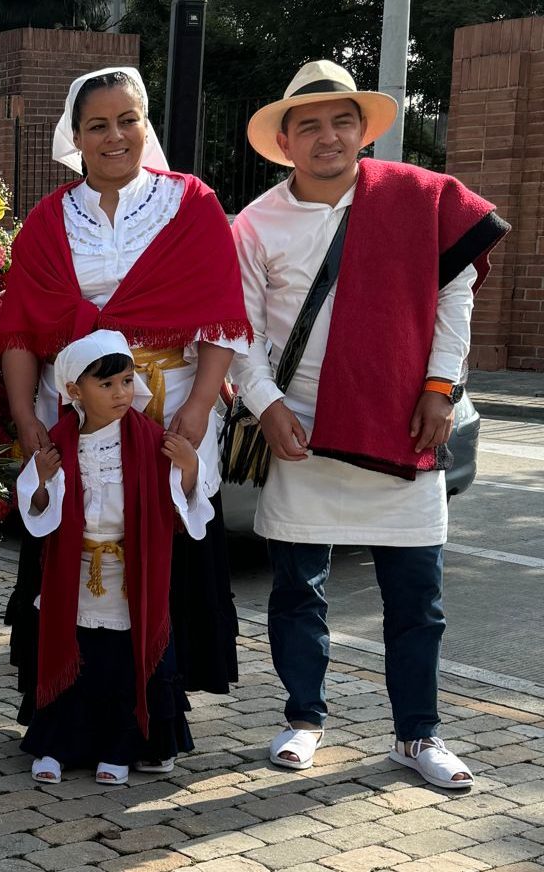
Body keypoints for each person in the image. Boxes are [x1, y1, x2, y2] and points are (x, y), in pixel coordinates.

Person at [231, 61, 509, 788]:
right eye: (311, 125)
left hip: (402, 421)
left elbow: (456, 301)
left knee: (418, 595)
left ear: (363, 130)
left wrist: (441, 388)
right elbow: (240, 333)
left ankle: (417, 737)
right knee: (298, 590)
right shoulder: (254, 224)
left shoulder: (420, 199)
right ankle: (302, 719)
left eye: (342, 121)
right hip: (302, 428)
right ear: (286, 141)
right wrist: (265, 406)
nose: (328, 136)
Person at [0, 67, 253, 727]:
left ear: (146, 125)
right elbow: (22, 332)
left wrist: (198, 408)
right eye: (98, 125)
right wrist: (27, 420)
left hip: (164, 407)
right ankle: (64, 708)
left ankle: (154, 709)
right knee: (75, 553)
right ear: (75, 138)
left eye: (128, 120)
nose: (115, 136)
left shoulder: (191, 204)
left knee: (159, 554)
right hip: (74, 419)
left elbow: (221, 316)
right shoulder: (49, 221)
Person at [16, 331, 212, 786]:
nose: (121, 393)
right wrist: (42, 480)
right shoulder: (61, 441)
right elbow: (39, 513)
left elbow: (181, 507)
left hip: (129, 572)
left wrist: (187, 466)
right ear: (74, 391)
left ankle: (118, 746)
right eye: (106, 386)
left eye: (126, 381)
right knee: (72, 655)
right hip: (76, 570)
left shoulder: (151, 439)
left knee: (120, 663)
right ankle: (56, 746)